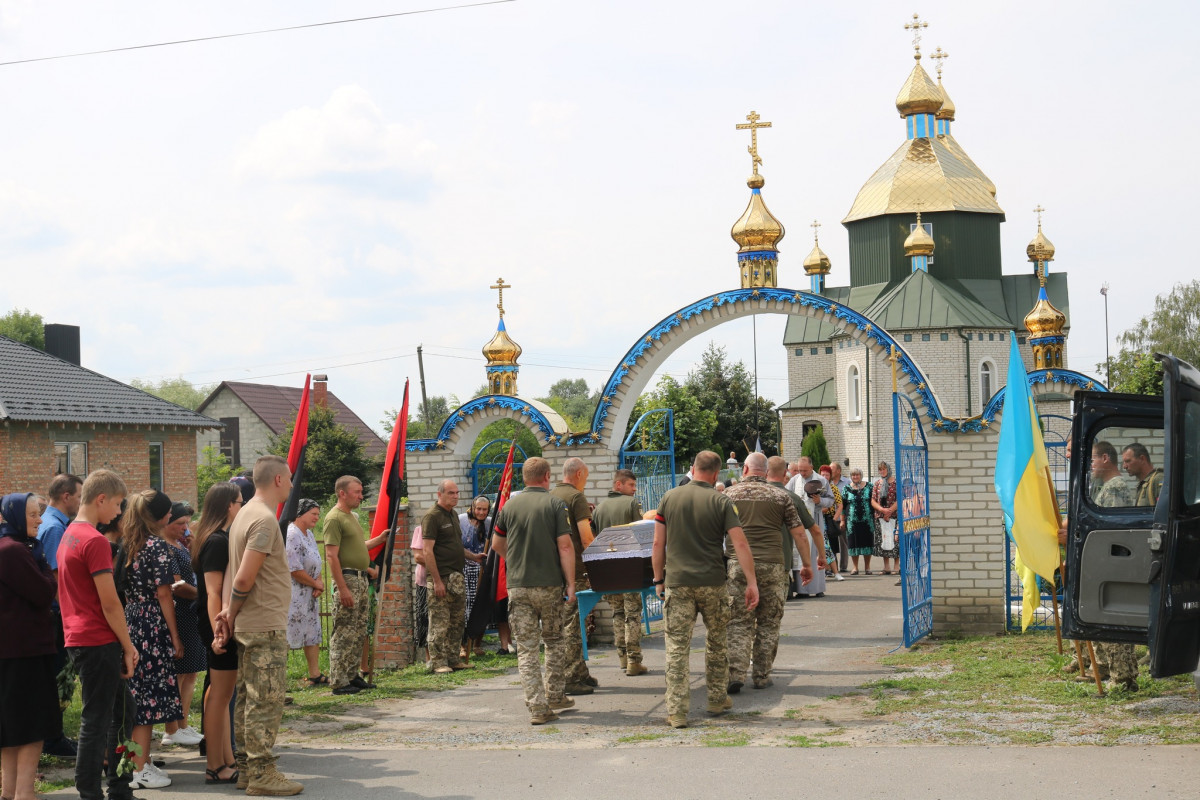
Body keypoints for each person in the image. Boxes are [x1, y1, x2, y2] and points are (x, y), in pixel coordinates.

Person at [213, 454, 303, 796]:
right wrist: (230, 613)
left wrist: (227, 613)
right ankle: (263, 772)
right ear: (278, 480)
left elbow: (235, 573)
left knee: (249, 699)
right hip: (262, 622)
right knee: (266, 699)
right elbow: (246, 576)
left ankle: (250, 771)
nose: (292, 484)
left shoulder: (244, 514)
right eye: (289, 478)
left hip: (251, 621)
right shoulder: (264, 519)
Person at [653, 450, 759, 729]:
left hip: (678, 582)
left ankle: (676, 711)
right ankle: (715, 698)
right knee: (716, 640)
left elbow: (657, 545)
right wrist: (751, 582)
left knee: (677, 647)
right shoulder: (721, 501)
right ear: (716, 474)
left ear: (692, 468)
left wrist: (658, 580)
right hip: (712, 582)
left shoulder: (669, 498)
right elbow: (740, 544)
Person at [59, 469, 138, 800]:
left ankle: (120, 787)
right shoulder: (93, 540)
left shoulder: (70, 534)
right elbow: (110, 603)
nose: (119, 513)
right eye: (118, 505)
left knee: (122, 712)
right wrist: (128, 645)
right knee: (98, 718)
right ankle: (91, 791)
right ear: (101, 499)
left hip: (80, 637)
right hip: (97, 638)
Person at [490, 457, 577, 725]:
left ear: (524, 477)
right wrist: (571, 583)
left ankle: (537, 707)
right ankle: (555, 695)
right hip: (549, 584)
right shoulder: (555, 504)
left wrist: (515, 562)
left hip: (518, 586)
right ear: (547, 476)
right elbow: (565, 546)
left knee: (526, 648)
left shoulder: (509, 506)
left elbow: (496, 544)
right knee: (553, 641)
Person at [724, 454, 815, 693]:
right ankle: (762, 675)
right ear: (766, 472)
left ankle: (735, 672)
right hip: (774, 564)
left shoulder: (728, 495)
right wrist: (806, 565)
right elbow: (799, 534)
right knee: (768, 622)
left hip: (738, 565)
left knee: (738, 621)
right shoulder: (780, 496)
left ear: (744, 469)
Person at [119, 490, 184, 789]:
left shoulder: (129, 543)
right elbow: (164, 593)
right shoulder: (157, 547)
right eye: (169, 512)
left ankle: (140, 762)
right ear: (159, 516)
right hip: (151, 624)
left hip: (131, 620)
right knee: (148, 700)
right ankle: (139, 770)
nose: (171, 516)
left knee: (138, 696)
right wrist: (174, 636)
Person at [0, 492, 59, 800]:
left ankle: (10, 792)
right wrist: (47, 573)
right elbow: (44, 590)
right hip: (25, 651)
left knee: (13, 727)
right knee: (32, 724)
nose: (40, 519)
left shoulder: (13, 548)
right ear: (15, 516)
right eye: (34, 514)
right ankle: (25, 793)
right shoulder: (15, 552)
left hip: (15, 651)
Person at [190, 482, 241, 785]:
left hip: (217, 623)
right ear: (227, 506)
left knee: (220, 694)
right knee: (220, 695)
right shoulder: (217, 541)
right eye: (239, 502)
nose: (242, 507)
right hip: (216, 624)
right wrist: (218, 633)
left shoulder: (215, 538)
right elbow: (212, 593)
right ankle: (214, 765)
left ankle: (226, 760)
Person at [324, 476, 388, 695]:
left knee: (358, 630)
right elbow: (331, 556)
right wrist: (342, 588)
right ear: (342, 493)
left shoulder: (351, 516)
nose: (361, 496)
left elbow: (358, 547)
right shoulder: (334, 518)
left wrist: (379, 539)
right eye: (357, 492)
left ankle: (352, 675)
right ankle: (339, 680)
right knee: (344, 631)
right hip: (348, 579)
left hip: (360, 579)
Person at [36, 472, 83, 759]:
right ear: (66, 496)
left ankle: (52, 735)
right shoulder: (54, 528)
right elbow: (56, 580)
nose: (80, 502)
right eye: (78, 496)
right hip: (56, 617)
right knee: (57, 679)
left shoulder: (51, 523)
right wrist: (71, 617)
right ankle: (52, 738)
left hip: (52, 617)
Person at [1089, 440, 1139, 692]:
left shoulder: (1115, 488)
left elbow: (1116, 533)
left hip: (1114, 564)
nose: (1092, 466)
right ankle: (1120, 675)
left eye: (1093, 460)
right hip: (1110, 563)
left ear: (1106, 458)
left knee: (1114, 622)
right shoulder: (1108, 486)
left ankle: (1124, 678)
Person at [421, 480, 484, 675]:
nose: (455, 496)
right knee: (440, 621)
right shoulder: (432, 517)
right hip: (442, 577)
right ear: (440, 494)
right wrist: (437, 581)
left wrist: (473, 557)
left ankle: (453, 658)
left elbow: (455, 546)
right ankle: (438, 662)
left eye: (457, 493)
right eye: (451, 493)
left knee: (457, 620)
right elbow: (427, 551)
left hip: (457, 576)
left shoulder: (454, 515)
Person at [591, 469, 647, 676]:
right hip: (630, 567)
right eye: (631, 485)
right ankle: (634, 660)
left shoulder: (599, 509)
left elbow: (594, 536)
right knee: (632, 613)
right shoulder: (632, 504)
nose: (634, 490)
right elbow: (641, 532)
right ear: (618, 485)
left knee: (617, 612)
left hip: (607, 568)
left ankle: (622, 658)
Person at [549, 457, 598, 695]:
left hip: (554, 569)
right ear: (578, 474)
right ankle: (570, 677)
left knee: (570, 623)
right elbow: (586, 537)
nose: (585, 483)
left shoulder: (551, 494)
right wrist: (598, 562)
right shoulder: (576, 497)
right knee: (574, 624)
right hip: (576, 569)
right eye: (586, 478)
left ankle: (580, 672)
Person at [160, 501, 204, 748]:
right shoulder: (166, 549)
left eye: (187, 523)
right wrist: (203, 594)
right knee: (177, 673)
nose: (185, 528)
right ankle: (171, 727)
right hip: (180, 615)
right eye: (179, 523)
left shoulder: (181, 545)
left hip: (191, 613)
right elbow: (177, 586)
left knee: (190, 671)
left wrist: (193, 543)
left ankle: (183, 723)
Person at [286, 499, 325, 686]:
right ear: (300, 513)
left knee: (312, 631)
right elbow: (293, 568)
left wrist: (320, 581)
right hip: (294, 593)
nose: (317, 518)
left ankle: (315, 673)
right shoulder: (291, 533)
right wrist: (315, 584)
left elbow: (316, 561)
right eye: (314, 514)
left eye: (318, 514)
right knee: (288, 633)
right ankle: (280, 679)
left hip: (309, 593)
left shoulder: (308, 534)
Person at [459, 496, 491, 660]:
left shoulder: (490, 523)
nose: (481, 512)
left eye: (484, 509)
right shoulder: (461, 520)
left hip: (482, 570)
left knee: (481, 606)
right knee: (465, 608)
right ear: (473, 507)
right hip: (465, 568)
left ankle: (477, 643)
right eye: (478, 509)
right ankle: (463, 645)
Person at [817, 465, 845, 582]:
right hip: (816, 519)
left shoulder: (832, 488)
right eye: (822, 474)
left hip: (828, 520)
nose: (824, 477)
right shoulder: (816, 487)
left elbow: (839, 505)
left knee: (829, 546)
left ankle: (835, 571)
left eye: (827, 475)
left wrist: (835, 518)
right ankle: (824, 571)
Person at [843, 468, 874, 574]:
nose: (855, 477)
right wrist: (842, 520)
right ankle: (855, 567)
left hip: (867, 520)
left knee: (867, 542)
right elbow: (842, 506)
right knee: (853, 543)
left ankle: (868, 567)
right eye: (853, 475)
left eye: (857, 475)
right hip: (852, 521)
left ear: (861, 475)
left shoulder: (869, 486)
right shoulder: (846, 488)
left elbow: (873, 501)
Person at [871, 461, 899, 575]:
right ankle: (886, 566)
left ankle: (896, 566)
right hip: (880, 516)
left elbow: (900, 498)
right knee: (883, 540)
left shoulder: (896, 482)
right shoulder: (877, 483)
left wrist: (890, 510)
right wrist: (882, 510)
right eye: (880, 470)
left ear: (888, 469)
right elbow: (873, 500)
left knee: (894, 541)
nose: (882, 471)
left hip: (894, 516)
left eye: (884, 469)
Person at [1122, 443, 1163, 509]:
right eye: (1124, 462)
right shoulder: (1144, 484)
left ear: (1142, 459)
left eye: (1128, 461)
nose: (1124, 466)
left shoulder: (1157, 480)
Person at [829, 463, 851, 572]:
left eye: (832, 469)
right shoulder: (827, 483)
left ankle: (843, 566)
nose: (830, 471)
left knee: (843, 542)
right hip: (831, 518)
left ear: (838, 471)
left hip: (843, 518)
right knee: (832, 543)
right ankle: (834, 566)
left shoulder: (847, 482)